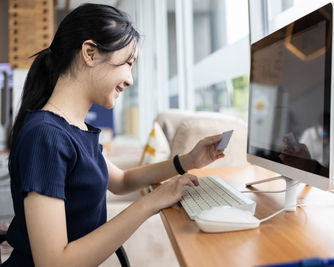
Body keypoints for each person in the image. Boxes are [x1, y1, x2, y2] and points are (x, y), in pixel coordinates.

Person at [3, 4, 224, 266]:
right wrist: (151, 203)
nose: (130, 79)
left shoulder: (74, 129)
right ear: (90, 53)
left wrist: (187, 161)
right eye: (128, 63)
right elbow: (53, 263)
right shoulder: (46, 137)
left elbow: (121, 180)